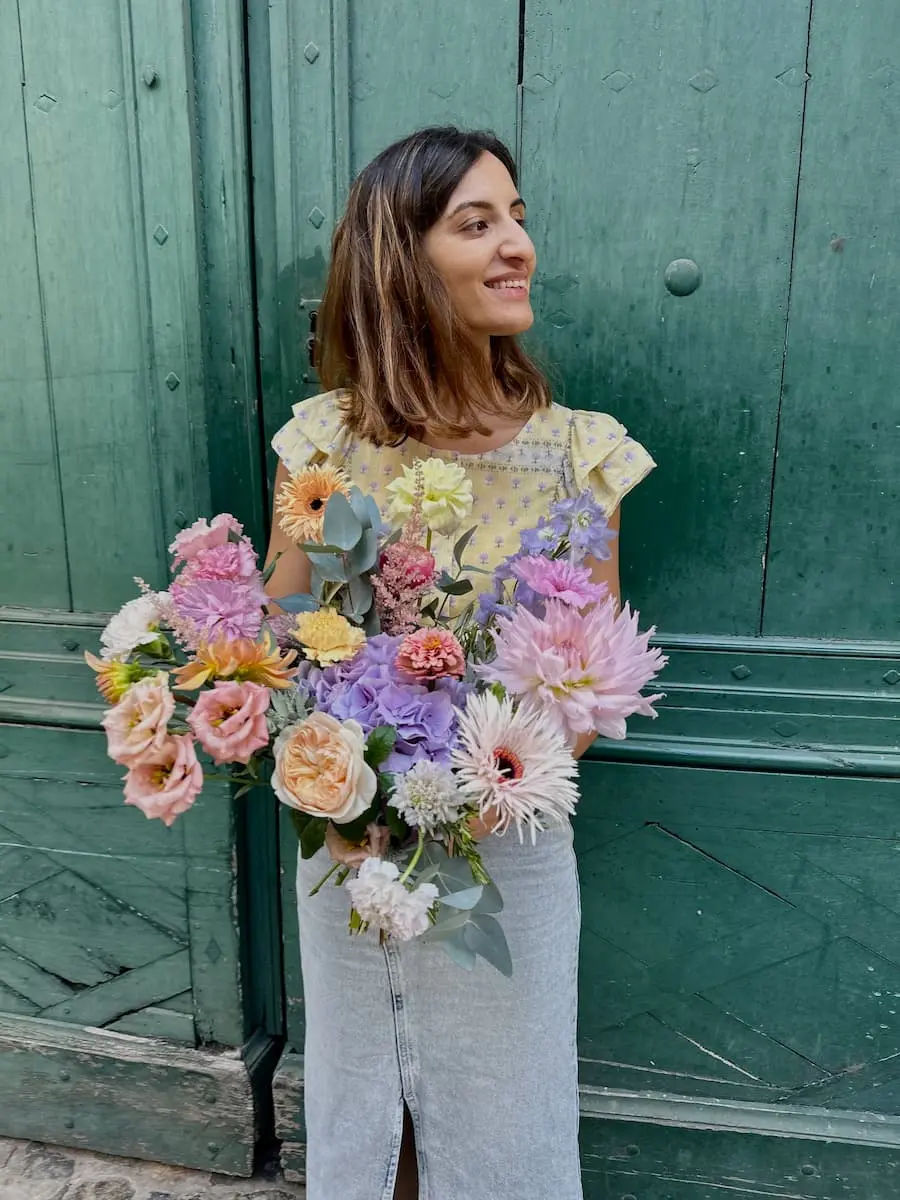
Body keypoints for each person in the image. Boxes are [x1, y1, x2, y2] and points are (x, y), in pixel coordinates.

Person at [264, 126, 656, 1200]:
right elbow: (285, 625)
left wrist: (486, 787)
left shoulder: (584, 453)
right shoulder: (323, 448)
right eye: (476, 223)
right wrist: (354, 783)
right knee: (365, 1100)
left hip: (509, 838)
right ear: (402, 259)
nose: (517, 243)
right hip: (352, 838)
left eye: (518, 217)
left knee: (509, 1107)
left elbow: (587, 670)